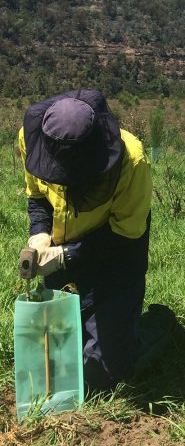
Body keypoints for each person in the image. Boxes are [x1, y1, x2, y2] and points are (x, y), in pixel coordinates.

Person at [18, 88, 173, 392]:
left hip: (117, 251)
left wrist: (65, 256)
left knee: (103, 372)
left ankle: (160, 324)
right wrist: (39, 235)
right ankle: (105, 322)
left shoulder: (133, 161)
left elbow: (124, 234)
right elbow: (37, 195)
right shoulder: (32, 138)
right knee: (60, 358)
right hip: (63, 241)